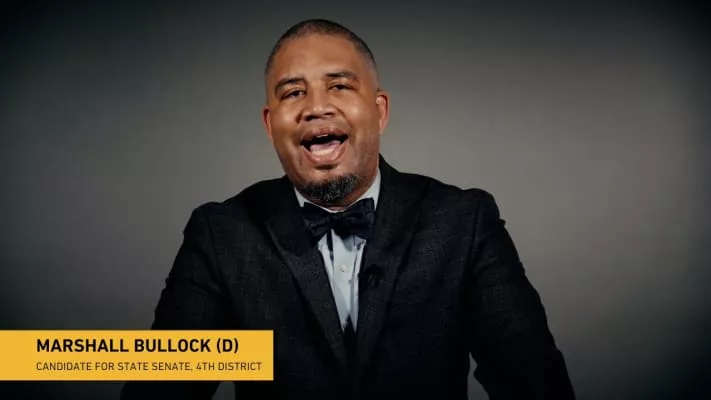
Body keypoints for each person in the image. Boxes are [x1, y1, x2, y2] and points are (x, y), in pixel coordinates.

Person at [121, 18, 576, 400]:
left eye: (339, 86)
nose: (316, 107)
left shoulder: (465, 221)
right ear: (270, 125)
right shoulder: (221, 234)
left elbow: (535, 383)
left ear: (379, 111)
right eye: (293, 93)